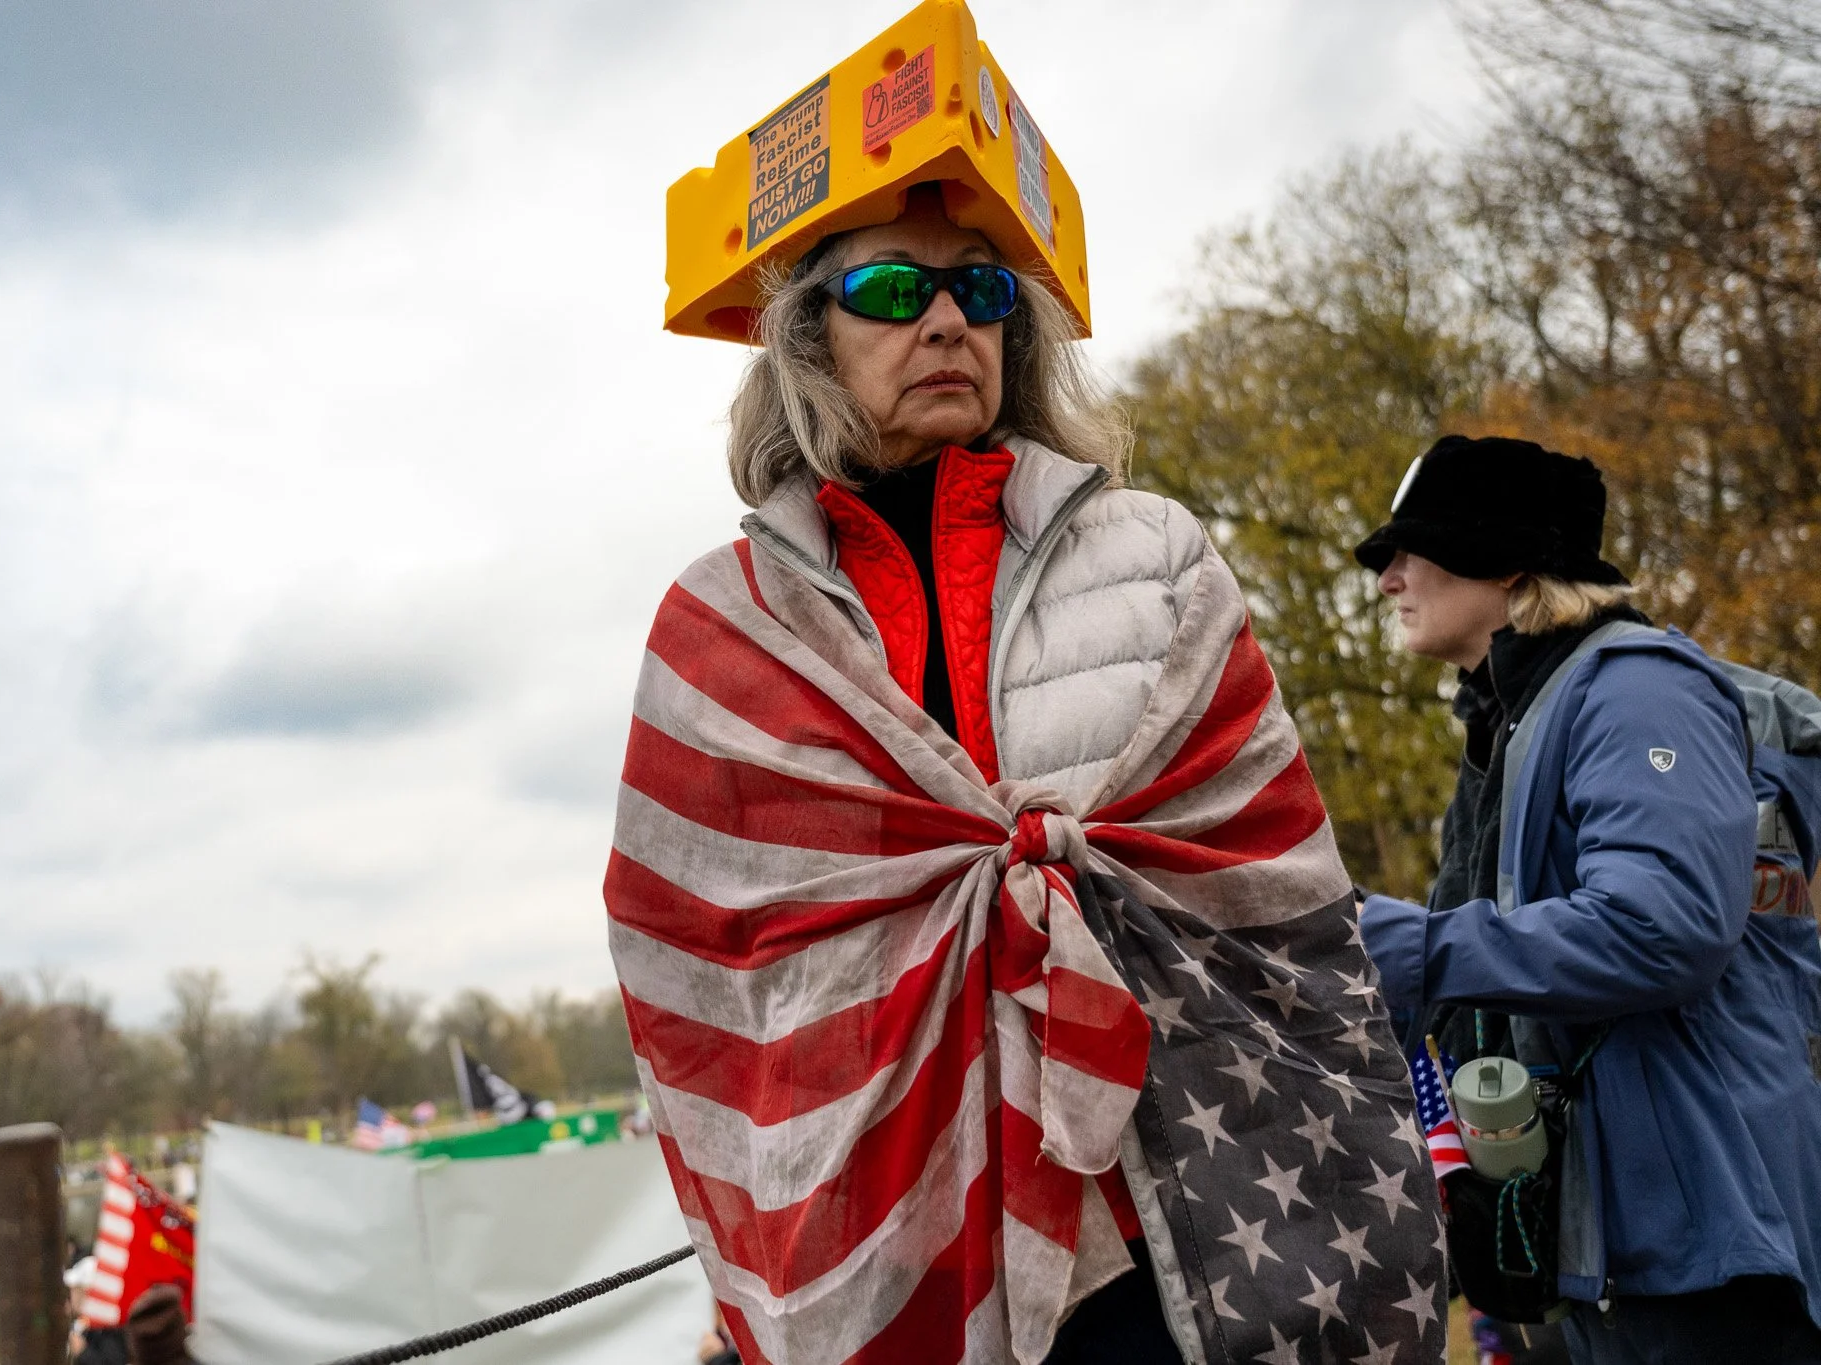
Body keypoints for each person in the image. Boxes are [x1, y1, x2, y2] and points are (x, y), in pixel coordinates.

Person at [611, 17, 1443, 1360]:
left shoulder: (1154, 550)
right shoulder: (722, 627)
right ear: (804, 338)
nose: (947, 318)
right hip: (891, 1236)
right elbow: (703, 974)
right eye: (893, 288)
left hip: (1180, 1218)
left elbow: (1272, 885)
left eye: (983, 291)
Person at [1354, 435, 1821, 1363]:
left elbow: (1662, 927)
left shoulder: (1637, 687)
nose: (1388, 579)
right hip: (1616, 1249)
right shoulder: (1512, 720)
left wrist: (1402, 943)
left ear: (1507, 558)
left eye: (1411, 550)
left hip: (1706, 1246)